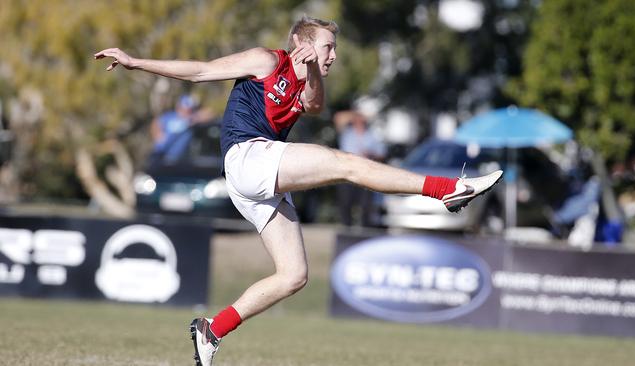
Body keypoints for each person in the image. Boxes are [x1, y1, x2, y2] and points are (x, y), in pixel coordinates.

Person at [94, 16, 503, 366]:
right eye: (328, 47)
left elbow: (315, 106)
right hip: (247, 157)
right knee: (346, 165)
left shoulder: (308, 76)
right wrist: (135, 62)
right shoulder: (265, 60)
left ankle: (210, 330)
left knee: (294, 276)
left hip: (255, 179)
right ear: (301, 42)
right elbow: (200, 71)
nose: (334, 56)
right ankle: (448, 189)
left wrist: (311, 73)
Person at [334, 109, 386, 226]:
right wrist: (356, 114)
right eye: (357, 119)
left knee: (365, 204)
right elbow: (338, 117)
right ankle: (346, 227)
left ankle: (364, 230)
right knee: (345, 202)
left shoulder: (372, 135)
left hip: (366, 172)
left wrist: (371, 154)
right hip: (347, 171)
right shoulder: (347, 133)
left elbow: (382, 154)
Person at [149, 94, 212, 162]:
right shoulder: (169, 117)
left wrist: (193, 118)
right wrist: (158, 134)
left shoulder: (192, 120)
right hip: (160, 154)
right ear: (179, 107)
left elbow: (209, 114)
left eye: (189, 110)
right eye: (184, 108)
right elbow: (156, 123)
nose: (186, 111)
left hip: (178, 159)